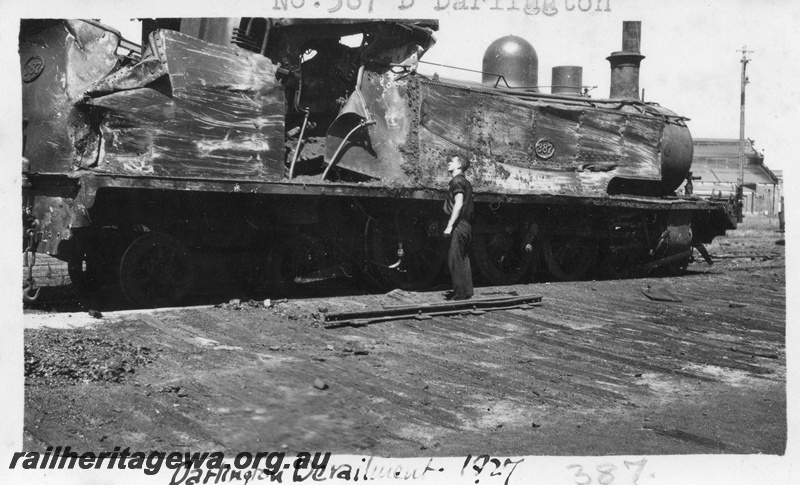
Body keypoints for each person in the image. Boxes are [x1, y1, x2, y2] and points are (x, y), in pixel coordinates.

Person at [443, 155, 474, 300]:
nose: (449, 162)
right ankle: (467, 291)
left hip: (458, 224)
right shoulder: (466, 182)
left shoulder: (456, 181)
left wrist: (449, 225)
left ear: (459, 166)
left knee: (454, 259)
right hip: (466, 225)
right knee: (463, 258)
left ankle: (459, 296)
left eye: (452, 161)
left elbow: (459, 203)